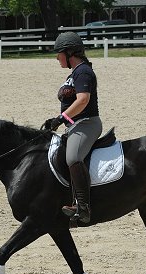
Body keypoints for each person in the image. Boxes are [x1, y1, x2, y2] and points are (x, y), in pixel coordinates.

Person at [44, 31, 103, 223]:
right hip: (75, 124)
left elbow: (83, 100)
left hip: (87, 124)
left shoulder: (83, 71)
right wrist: (59, 120)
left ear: (70, 53)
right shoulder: (75, 73)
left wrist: (62, 118)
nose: (57, 57)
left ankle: (83, 207)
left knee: (73, 157)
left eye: (59, 53)